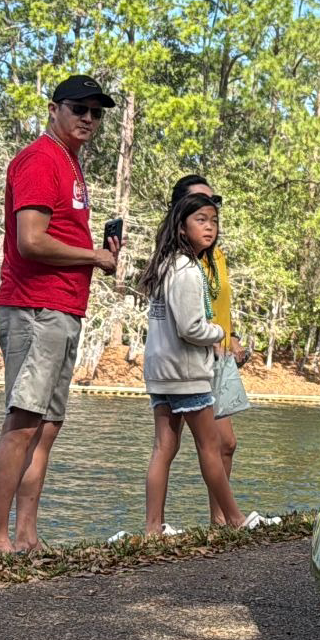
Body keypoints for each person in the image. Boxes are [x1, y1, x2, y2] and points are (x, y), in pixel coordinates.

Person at [0, 76, 121, 557]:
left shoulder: (70, 162)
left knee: (46, 428)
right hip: (34, 306)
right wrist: (94, 257)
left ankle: (27, 536)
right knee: (23, 422)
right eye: (79, 108)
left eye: (96, 112)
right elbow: (31, 241)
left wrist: (95, 255)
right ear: (53, 109)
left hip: (63, 307)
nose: (89, 118)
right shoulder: (41, 159)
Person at [136, 192, 273, 534]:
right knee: (210, 447)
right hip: (186, 373)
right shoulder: (187, 270)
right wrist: (219, 332)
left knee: (163, 447)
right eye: (200, 220)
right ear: (181, 227)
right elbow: (190, 328)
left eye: (213, 221)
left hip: (160, 372)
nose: (209, 227)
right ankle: (235, 519)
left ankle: (152, 528)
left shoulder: (164, 265)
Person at [172, 175, 253, 522]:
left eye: (213, 204)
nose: (209, 211)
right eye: (200, 205)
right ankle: (155, 526)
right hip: (190, 358)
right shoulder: (180, 259)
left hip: (220, 356)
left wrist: (231, 336)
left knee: (226, 443)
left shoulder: (215, 254)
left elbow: (219, 303)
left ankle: (219, 521)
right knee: (170, 444)